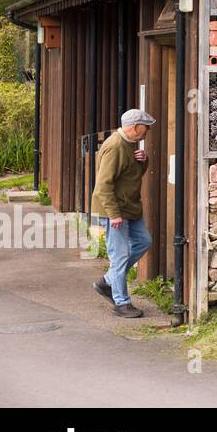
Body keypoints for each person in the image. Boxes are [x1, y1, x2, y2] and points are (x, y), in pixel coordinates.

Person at [90, 108, 156, 318]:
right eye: (146, 127)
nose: (147, 131)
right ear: (135, 127)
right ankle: (121, 303)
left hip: (130, 209)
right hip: (116, 211)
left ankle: (108, 281)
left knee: (144, 241)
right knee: (119, 257)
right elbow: (103, 185)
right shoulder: (116, 146)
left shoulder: (130, 145)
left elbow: (132, 176)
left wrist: (143, 161)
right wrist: (113, 214)